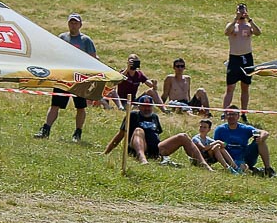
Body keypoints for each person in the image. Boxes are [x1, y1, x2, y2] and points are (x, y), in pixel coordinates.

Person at [36, 13, 97, 141]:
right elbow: (55, 54)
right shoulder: (62, 37)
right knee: (55, 104)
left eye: (75, 23)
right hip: (63, 78)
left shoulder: (86, 40)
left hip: (79, 79)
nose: (73, 25)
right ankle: (45, 130)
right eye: (71, 22)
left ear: (80, 25)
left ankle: (77, 133)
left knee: (80, 107)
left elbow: (93, 59)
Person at [112, 94, 208, 167]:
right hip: (138, 148)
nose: (146, 108)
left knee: (183, 136)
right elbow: (120, 135)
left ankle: (203, 164)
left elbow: (156, 136)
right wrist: (107, 152)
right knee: (138, 130)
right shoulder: (133, 115)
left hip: (156, 150)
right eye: (144, 106)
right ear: (139, 106)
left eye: (149, 106)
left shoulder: (155, 117)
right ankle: (142, 159)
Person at [213, 106, 275, 176]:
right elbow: (215, 146)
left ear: (238, 116)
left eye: (234, 114)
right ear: (225, 116)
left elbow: (263, 132)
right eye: (229, 114)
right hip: (229, 158)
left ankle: (268, 169)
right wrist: (224, 144)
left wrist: (261, 137)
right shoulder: (220, 129)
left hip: (245, 156)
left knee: (260, 142)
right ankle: (251, 170)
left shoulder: (245, 128)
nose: (231, 116)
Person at [224, 3, 260, 114]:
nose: (242, 13)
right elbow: (227, 32)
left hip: (247, 58)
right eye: (239, 11)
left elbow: (258, 33)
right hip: (234, 58)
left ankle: (244, 112)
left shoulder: (249, 26)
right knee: (230, 87)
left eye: (243, 11)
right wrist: (236, 19)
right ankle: (225, 112)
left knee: (245, 86)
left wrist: (250, 20)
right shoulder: (232, 25)